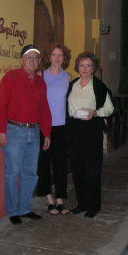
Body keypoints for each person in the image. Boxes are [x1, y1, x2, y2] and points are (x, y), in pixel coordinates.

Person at [0, 44, 52, 225]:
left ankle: (25, 208)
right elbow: (0, 105)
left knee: (30, 173)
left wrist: (46, 133)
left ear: (39, 61)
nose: (33, 61)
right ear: (22, 60)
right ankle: (13, 211)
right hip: (15, 131)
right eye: (29, 57)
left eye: (36, 58)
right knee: (13, 172)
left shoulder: (41, 82)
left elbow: (44, 109)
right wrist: (1, 130)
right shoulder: (11, 77)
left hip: (33, 132)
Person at [67, 51, 114, 218]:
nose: (85, 68)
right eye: (81, 65)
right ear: (77, 67)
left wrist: (94, 112)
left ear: (93, 68)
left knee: (92, 169)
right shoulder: (72, 85)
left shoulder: (99, 86)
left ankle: (94, 206)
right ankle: (81, 204)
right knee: (78, 168)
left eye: (88, 65)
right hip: (75, 130)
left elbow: (109, 109)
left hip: (92, 130)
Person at [36, 43, 72, 215]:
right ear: (48, 57)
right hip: (44, 126)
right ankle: (48, 198)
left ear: (64, 59)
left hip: (62, 126)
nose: (57, 58)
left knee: (61, 164)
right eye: (54, 55)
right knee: (44, 163)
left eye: (61, 55)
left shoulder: (68, 77)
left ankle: (60, 199)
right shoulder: (40, 75)